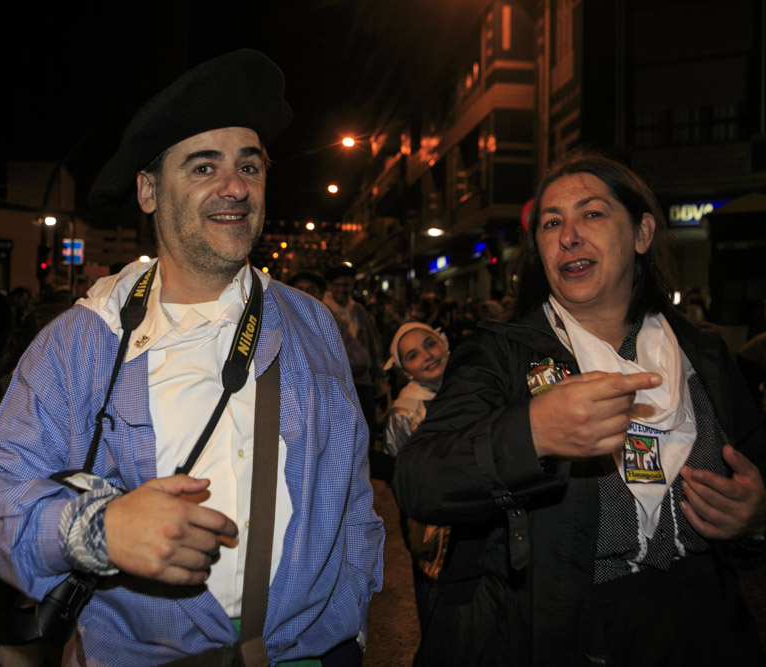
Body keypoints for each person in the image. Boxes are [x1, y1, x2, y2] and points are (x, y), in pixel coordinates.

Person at [0, 49, 383, 665]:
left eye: (249, 165)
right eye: (204, 166)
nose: (236, 187)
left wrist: (353, 624)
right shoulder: (83, 341)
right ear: (148, 191)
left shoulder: (310, 322)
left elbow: (354, 493)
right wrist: (100, 530)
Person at [393, 154, 766, 665]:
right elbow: (417, 480)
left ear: (642, 233)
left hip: (705, 625)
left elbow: (754, 473)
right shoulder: (498, 355)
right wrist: (531, 434)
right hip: (567, 633)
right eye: (551, 223)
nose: (569, 236)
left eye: (592, 214)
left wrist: (756, 519)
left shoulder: (703, 353)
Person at [382, 322, 451, 638]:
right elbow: (402, 479)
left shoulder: (472, 383)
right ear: (404, 370)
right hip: (435, 529)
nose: (427, 355)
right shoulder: (404, 412)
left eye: (430, 344)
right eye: (412, 355)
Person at [324, 264, 385, 448]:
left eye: (346, 285)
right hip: (335, 381)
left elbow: (372, 344)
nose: (342, 289)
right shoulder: (322, 309)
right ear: (330, 286)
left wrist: (378, 376)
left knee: (366, 426)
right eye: (337, 285)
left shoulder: (359, 311)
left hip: (361, 380)